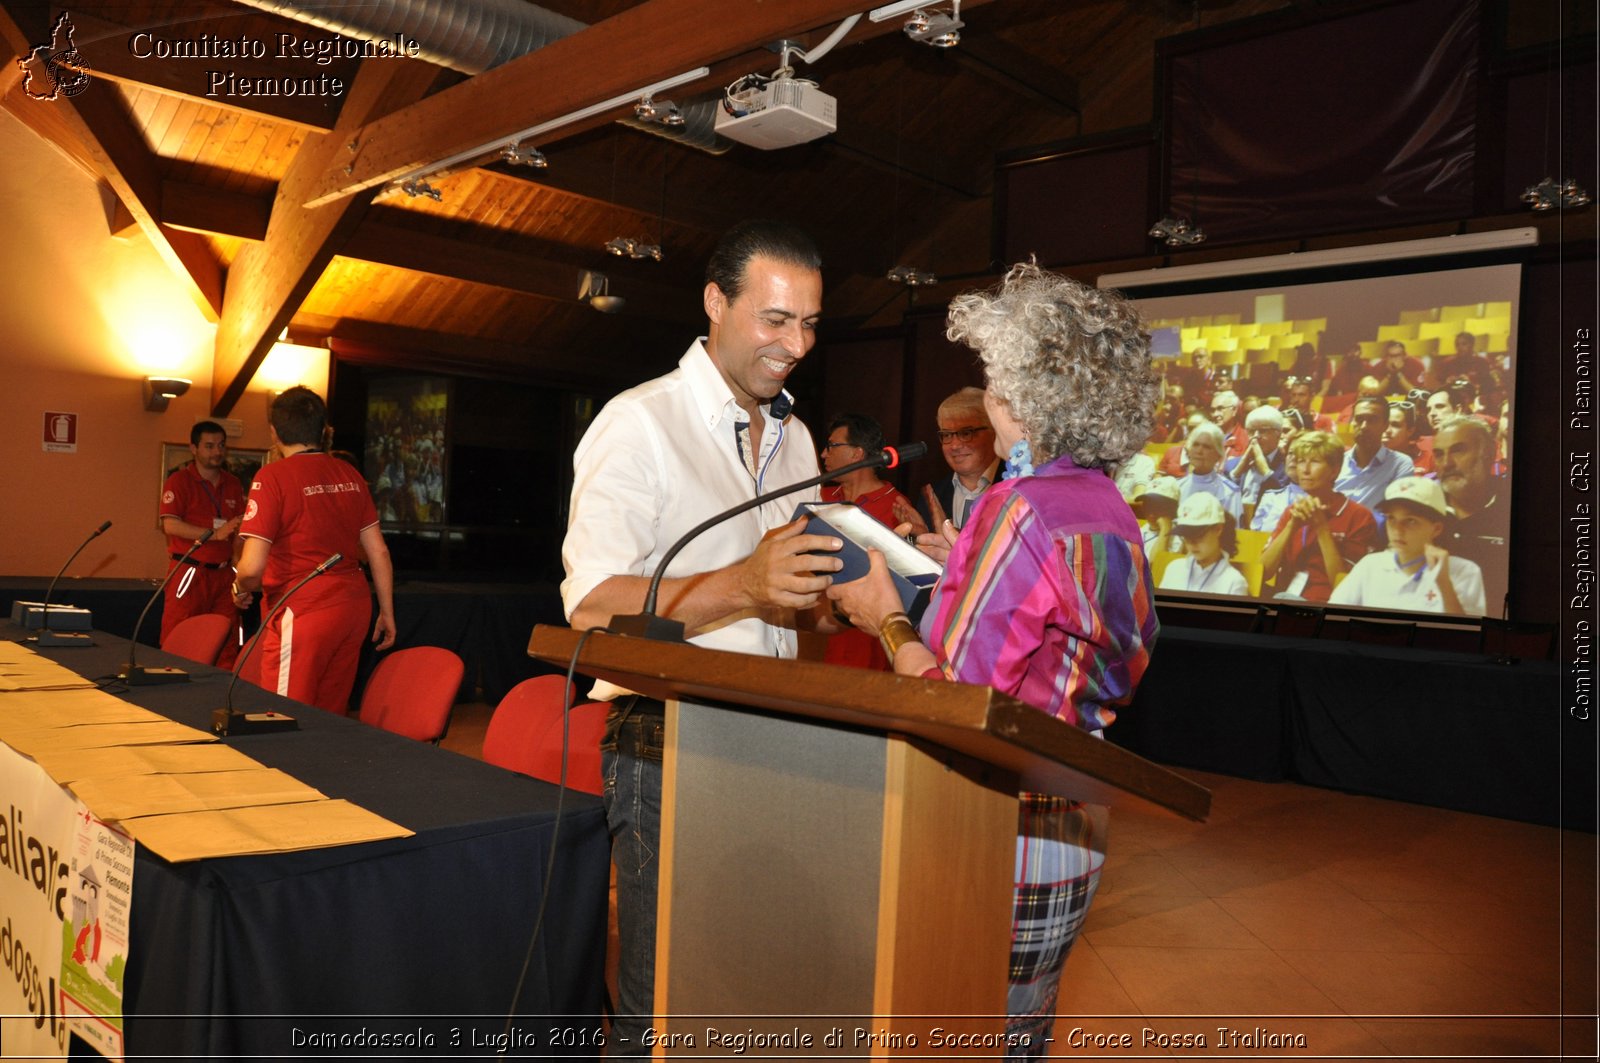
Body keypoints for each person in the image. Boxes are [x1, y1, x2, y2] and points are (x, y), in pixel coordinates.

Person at [828, 262, 1160, 1056]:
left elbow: (954, 707)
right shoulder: (1109, 506)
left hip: (996, 831)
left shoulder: (1020, 509)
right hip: (1072, 826)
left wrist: (887, 618)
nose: (991, 403)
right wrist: (962, 572)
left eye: (996, 382)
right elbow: (1073, 652)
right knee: (1018, 1035)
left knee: (956, 1033)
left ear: (1027, 396)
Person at [559, 220, 842, 1054]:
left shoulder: (794, 438)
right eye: (776, 318)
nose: (797, 343)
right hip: (667, 740)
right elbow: (591, 603)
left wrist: (868, 588)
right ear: (716, 303)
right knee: (663, 1002)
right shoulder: (639, 423)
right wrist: (743, 584)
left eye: (812, 323)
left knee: (744, 981)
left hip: (781, 734)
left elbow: (790, 603)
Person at [233, 387, 397, 713]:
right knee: (328, 713)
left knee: (282, 716)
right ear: (322, 430)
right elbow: (378, 552)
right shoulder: (349, 474)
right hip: (353, 607)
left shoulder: (272, 477)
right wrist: (387, 612)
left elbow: (251, 568)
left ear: (274, 432)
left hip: (304, 609)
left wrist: (240, 587)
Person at [820, 412, 922, 670]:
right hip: (815, 630)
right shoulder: (819, 497)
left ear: (857, 453)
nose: (823, 454)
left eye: (832, 446)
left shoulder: (896, 506)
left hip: (867, 643)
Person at [157, 420, 246, 665]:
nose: (217, 451)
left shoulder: (233, 484)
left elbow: (239, 531)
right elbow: (170, 525)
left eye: (221, 445)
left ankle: (222, 695)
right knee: (180, 636)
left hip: (225, 573)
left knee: (227, 639)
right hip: (190, 571)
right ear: (193, 448)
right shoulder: (179, 481)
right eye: (209, 446)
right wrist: (214, 534)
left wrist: (242, 570)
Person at [1330, 477, 1485, 615]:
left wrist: (1443, 583)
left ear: (1436, 529)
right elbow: (1334, 614)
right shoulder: (1370, 565)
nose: (1397, 530)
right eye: (1391, 518)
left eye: (1410, 521)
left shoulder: (1465, 571)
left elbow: (1468, 635)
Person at [1261, 430, 1380, 602]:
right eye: (1301, 461)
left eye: (1315, 461)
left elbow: (1344, 584)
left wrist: (1322, 529)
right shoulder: (1291, 512)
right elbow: (1263, 572)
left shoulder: (1360, 517)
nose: (1305, 470)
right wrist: (1291, 527)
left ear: (1334, 470)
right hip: (1283, 599)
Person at [1432, 415, 1510, 615]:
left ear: (1489, 453)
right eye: (1439, 454)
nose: (1446, 463)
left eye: (1458, 450)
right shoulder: (1423, 510)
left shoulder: (1511, 505)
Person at [916, 386, 1000, 531]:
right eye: (947, 435)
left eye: (966, 433)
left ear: (993, 431)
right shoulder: (931, 497)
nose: (954, 445)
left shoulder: (1019, 487)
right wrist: (917, 535)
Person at [1158, 494, 1249, 597]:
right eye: (1186, 535)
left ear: (1218, 529)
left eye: (1198, 534)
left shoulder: (1234, 582)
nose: (1191, 542)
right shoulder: (1174, 568)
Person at [1334, 397, 1415, 509]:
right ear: (1352, 422)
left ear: (1385, 425)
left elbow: (1398, 509)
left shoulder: (1400, 464)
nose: (1364, 426)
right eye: (1359, 419)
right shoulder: (1336, 462)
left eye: (1372, 420)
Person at [1226, 405, 1290, 525]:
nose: (1255, 436)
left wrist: (1265, 469)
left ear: (1278, 433)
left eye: (1263, 431)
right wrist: (1237, 473)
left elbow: (1282, 500)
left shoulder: (1288, 467)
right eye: (1251, 431)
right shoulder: (1231, 465)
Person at [1177, 421, 1242, 522]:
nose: (1199, 451)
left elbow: (1232, 533)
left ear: (1218, 455)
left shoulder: (1230, 493)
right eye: (1195, 445)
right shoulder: (1177, 487)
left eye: (1206, 447)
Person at [1383, 398, 1433, 474]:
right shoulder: (1368, 459)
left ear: (1410, 431)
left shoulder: (1428, 459)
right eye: (1385, 424)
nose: (1387, 430)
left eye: (1395, 425)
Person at [1209, 390, 1248, 459]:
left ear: (1234, 410)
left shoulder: (1245, 438)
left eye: (1220, 409)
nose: (1215, 414)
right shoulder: (1207, 436)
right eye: (1212, 410)